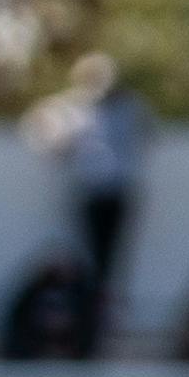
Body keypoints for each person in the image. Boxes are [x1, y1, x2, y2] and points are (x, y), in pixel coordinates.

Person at [37, 52, 149, 314]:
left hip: (119, 188)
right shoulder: (70, 106)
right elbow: (48, 132)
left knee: (112, 255)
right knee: (88, 252)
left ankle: (106, 302)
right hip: (89, 190)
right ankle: (90, 304)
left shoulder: (128, 106)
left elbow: (146, 131)